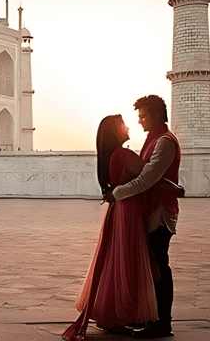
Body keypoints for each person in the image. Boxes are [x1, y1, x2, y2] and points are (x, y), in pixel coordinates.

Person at [63, 114, 158, 341]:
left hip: (119, 210)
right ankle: (123, 313)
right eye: (123, 125)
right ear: (116, 132)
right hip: (129, 210)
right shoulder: (123, 154)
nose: (128, 128)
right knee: (128, 260)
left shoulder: (110, 157)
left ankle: (112, 314)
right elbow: (148, 174)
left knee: (116, 260)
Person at [106, 95, 182, 338]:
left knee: (160, 265)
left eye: (143, 115)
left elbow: (147, 178)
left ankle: (163, 323)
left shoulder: (165, 142)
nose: (139, 121)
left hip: (160, 212)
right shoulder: (154, 140)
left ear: (157, 115)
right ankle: (153, 319)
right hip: (150, 210)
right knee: (153, 265)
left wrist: (116, 193)